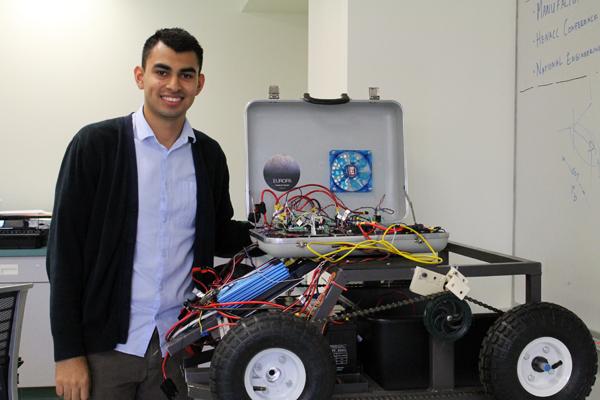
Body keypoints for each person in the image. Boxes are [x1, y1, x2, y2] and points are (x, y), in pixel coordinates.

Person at [47, 28, 252, 400]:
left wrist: (279, 231)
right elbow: (64, 256)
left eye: (186, 74)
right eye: (162, 71)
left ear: (199, 83)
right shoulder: (95, 146)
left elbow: (219, 234)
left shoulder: (208, 155)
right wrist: (68, 354)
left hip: (175, 346)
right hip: (104, 352)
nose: (173, 84)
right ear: (140, 76)